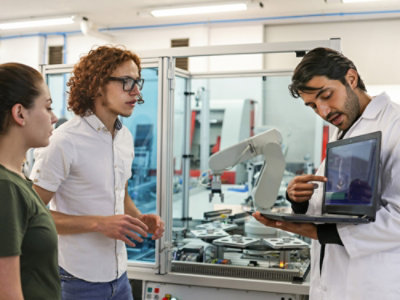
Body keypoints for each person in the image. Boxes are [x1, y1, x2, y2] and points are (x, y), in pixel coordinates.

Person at [253, 48, 400, 300]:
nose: (323, 112)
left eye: (326, 95)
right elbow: (329, 207)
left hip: (372, 287)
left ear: (351, 78)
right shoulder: (344, 129)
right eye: (312, 106)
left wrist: (318, 232)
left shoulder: (394, 126)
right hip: (331, 284)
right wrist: (299, 202)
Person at [30, 46, 165, 300]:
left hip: (120, 277)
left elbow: (120, 194)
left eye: (137, 82)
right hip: (75, 280)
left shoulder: (124, 136)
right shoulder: (64, 141)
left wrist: (139, 218)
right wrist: (98, 223)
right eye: (126, 82)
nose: (136, 91)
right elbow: (32, 216)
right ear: (97, 85)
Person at [0, 63, 59, 299]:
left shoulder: (18, 180)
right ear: (20, 113)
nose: (54, 117)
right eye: (48, 107)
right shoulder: (6, 188)